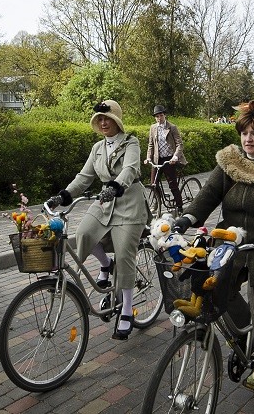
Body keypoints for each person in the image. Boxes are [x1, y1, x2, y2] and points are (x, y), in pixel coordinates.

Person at [172, 100, 254, 392]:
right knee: (211, 285)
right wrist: (187, 218)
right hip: (233, 239)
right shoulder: (230, 162)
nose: (248, 139)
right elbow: (208, 195)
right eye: (244, 132)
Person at [47, 100, 149, 340]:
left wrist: (114, 186)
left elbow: (130, 169)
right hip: (105, 202)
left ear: (117, 121)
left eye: (108, 118)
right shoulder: (97, 148)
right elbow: (84, 177)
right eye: (99, 119)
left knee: (124, 254)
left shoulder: (131, 142)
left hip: (129, 202)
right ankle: (105, 264)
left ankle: (126, 310)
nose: (103, 122)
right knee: (83, 234)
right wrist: (63, 195)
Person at [145, 105, 187, 213]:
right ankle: (156, 203)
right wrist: (148, 158)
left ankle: (179, 206)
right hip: (157, 159)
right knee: (154, 183)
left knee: (172, 184)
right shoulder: (153, 128)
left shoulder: (172, 127)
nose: (159, 118)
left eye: (161, 115)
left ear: (165, 115)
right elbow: (150, 145)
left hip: (169, 159)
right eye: (157, 116)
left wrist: (175, 156)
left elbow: (179, 144)